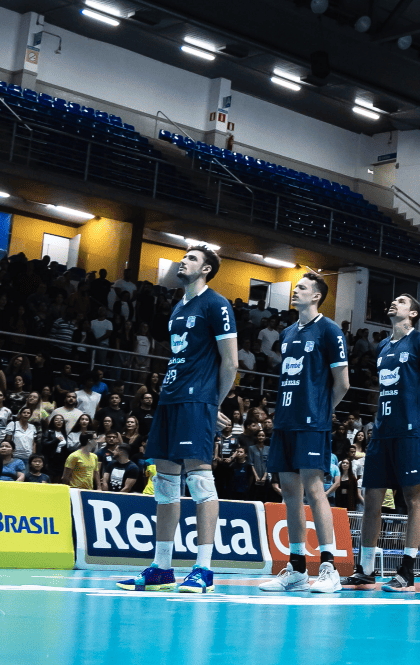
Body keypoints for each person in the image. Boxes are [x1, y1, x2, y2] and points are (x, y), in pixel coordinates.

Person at [117, 247, 237, 595]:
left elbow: (230, 363)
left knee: (200, 483)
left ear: (207, 269)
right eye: (182, 257)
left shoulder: (216, 304)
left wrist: (212, 403)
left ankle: (203, 570)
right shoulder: (178, 307)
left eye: (192, 259)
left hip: (197, 400)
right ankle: (162, 567)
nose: (182, 262)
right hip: (170, 399)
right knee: (166, 484)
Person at [342, 294, 420, 591]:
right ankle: (366, 569)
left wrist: (419, 411)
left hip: (410, 433)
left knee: (413, 500)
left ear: (412, 313)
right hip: (382, 433)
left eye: (401, 301)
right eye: (394, 299)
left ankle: (408, 571)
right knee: (372, 501)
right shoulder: (383, 346)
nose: (394, 302)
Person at [258, 273, 350, 593]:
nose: (295, 291)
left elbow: (343, 383)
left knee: (314, 489)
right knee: (290, 494)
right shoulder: (286, 333)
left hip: (312, 421)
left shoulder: (330, 331)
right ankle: (296, 569)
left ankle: (329, 568)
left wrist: (322, 410)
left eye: (302, 288)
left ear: (316, 297)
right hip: (285, 419)